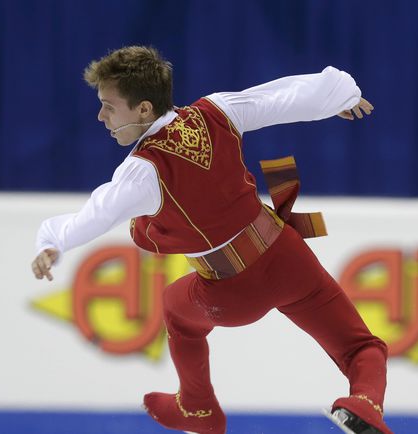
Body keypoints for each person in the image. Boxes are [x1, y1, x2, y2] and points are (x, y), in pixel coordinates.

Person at [31, 46, 393, 434]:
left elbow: (95, 216)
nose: (101, 116)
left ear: (144, 109)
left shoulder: (143, 171)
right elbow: (278, 99)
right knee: (360, 345)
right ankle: (366, 404)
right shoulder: (216, 110)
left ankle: (198, 407)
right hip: (287, 257)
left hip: (234, 290)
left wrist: (52, 244)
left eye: (108, 106)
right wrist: (339, 96)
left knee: (175, 306)